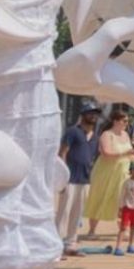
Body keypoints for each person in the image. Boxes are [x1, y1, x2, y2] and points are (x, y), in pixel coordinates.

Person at [83, 111, 134, 240]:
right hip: (105, 172)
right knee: (99, 198)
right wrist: (125, 153)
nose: (126, 123)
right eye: (124, 121)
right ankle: (92, 230)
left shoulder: (126, 135)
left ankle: (124, 230)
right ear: (115, 121)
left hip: (123, 172)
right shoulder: (106, 135)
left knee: (123, 201)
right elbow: (106, 153)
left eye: (127, 121)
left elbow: (130, 153)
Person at [56, 106, 100, 255]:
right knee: (64, 212)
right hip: (70, 178)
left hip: (85, 179)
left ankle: (71, 243)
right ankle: (56, 245)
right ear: (83, 114)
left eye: (96, 114)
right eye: (90, 113)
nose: (93, 116)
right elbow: (63, 152)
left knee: (77, 213)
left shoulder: (95, 137)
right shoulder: (72, 131)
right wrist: (62, 176)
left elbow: (92, 158)